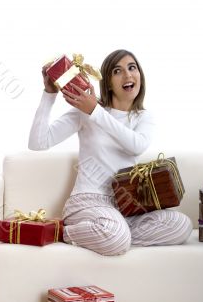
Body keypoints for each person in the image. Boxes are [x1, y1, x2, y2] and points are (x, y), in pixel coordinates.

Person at [28, 49, 192, 255]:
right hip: (89, 201)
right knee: (116, 237)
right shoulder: (84, 111)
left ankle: (114, 234)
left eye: (132, 67)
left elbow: (136, 145)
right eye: (117, 71)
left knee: (181, 225)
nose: (128, 75)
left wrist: (95, 112)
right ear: (107, 82)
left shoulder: (142, 117)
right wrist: (49, 94)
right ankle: (64, 232)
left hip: (127, 207)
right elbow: (38, 142)